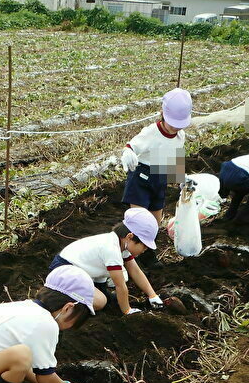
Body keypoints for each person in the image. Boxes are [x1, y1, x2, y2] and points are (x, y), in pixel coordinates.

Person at [49, 208, 163, 315]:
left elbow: (135, 271)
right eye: (144, 246)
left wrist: (152, 295)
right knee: (100, 301)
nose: (144, 250)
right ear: (129, 236)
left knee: (109, 300)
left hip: (83, 274)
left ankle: (77, 294)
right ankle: (62, 297)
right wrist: (127, 310)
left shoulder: (121, 245)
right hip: (65, 271)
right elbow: (120, 285)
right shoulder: (111, 249)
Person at [121, 88, 192, 224]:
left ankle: (148, 243)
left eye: (179, 124)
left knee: (155, 222)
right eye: (173, 123)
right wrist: (127, 152)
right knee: (139, 220)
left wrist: (182, 179)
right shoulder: (151, 132)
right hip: (142, 178)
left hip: (160, 178)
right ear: (164, 114)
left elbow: (174, 163)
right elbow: (131, 146)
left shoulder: (180, 136)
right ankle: (130, 242)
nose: (176, 128)